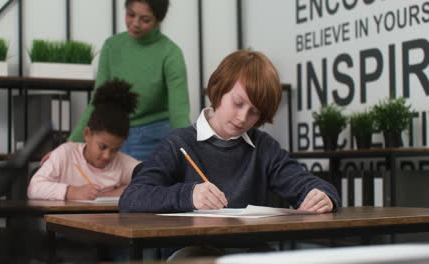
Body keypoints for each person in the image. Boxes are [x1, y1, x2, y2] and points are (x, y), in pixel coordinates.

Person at [119, 49, 341, 258]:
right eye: (237, 103)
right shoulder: (178, 143)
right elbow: (131, 199)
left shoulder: (263, 147)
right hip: (192, 253)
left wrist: (323, 196)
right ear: (218, 89)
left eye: (254, 112)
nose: (243, 118)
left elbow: (308, 184)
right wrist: (188, 195)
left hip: (250, 253)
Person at [67, 0, 190, 162]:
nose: (135, 23)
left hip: (155, 138)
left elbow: (179, 112)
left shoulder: (170, 53)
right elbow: (98, 101)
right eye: (130, 14)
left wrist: (187, 151)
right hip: (113, 136)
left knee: (143, 185)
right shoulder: (112, 47)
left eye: (145, 19)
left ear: (158, 20)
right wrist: (70, 145)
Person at [28, 79, 140, 200]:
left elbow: (154, 177)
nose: (107, 156)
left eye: (115, 149)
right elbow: (34, 188)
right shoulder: (66, 154)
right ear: (87, 134)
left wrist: (108, 195)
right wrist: (71, 192)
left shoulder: (121, 163)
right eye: (102, 147)